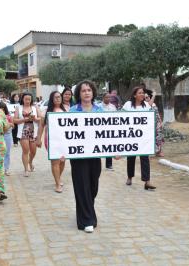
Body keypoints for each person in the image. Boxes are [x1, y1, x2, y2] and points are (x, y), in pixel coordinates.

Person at [69, 80, 103, 233]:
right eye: (83, 91)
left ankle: (88, 211)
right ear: (79, 94)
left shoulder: (100, 110)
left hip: (95, 155)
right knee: (82, 186)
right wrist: (61, 152)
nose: (87, 93)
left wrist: (114, 152)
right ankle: (86, 220)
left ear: (93, 92)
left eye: (89, 90)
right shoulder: (72, 111)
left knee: (93, 186)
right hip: (78, 156)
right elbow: (64, 135)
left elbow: (108, 134)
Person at [122, 86, 156, 190]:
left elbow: (150, 119)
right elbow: (121, 117)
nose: (142, 94)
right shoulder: (128, 105)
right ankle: (130, 177)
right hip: (131, 135)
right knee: (131, 157)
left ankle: (147, 181)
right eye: (140, 93)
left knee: (145, 158)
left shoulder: (146, 105)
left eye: (143, 93)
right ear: (134, 95)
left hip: (143, 136)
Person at [36, 91, 67, 193]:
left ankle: (58, 177)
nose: (58, 99)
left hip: (64, 140)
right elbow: (41, 126)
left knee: (62, 161)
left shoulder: (66, 110)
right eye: (56, 97)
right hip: (51, 140)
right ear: (52, 99)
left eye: (59, 97)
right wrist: (38, 139)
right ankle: (58, 183)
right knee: (55, 161)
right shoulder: (46, 111)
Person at [13, 92, 41, 177]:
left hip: (34, 131)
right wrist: (24, 120)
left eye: (29, 99)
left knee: (33, 151)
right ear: (23, 99)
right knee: (25, 151)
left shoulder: (35, 107)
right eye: (26, 99)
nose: (28, 101)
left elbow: (40, 119)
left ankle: (30, 162)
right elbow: (14, 120)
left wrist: (35, 118)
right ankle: (26, 169)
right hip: (23, 131)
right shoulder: (19, 107)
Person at [99, 92, 117, 170]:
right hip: (100, 129)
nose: (108, 99)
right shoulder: (98, 107)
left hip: (109, 129)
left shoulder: (113, 107)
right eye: (106, 97)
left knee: (109, 146)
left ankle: (109, 165)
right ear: (103, 98)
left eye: (109, 97)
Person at [145, 89, 165, 157]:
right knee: (150, 138)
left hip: (157, 123)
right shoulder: (145, 105)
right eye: (145, 98)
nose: (146, 98)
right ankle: (149, 151)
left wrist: (160, 122)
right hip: (149, 124)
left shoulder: (154, 104)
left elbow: (157, 113)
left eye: (147, 97)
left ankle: (159, 151)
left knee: (159, 137)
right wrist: (154, 95)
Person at [0, 102, 14, 176]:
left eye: (3, 109)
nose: (1, 111)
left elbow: (13, 125)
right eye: (0, 109)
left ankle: (6, 169)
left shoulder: (9, 116)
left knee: (7, 153)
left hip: (7, 135)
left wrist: (9, 124)